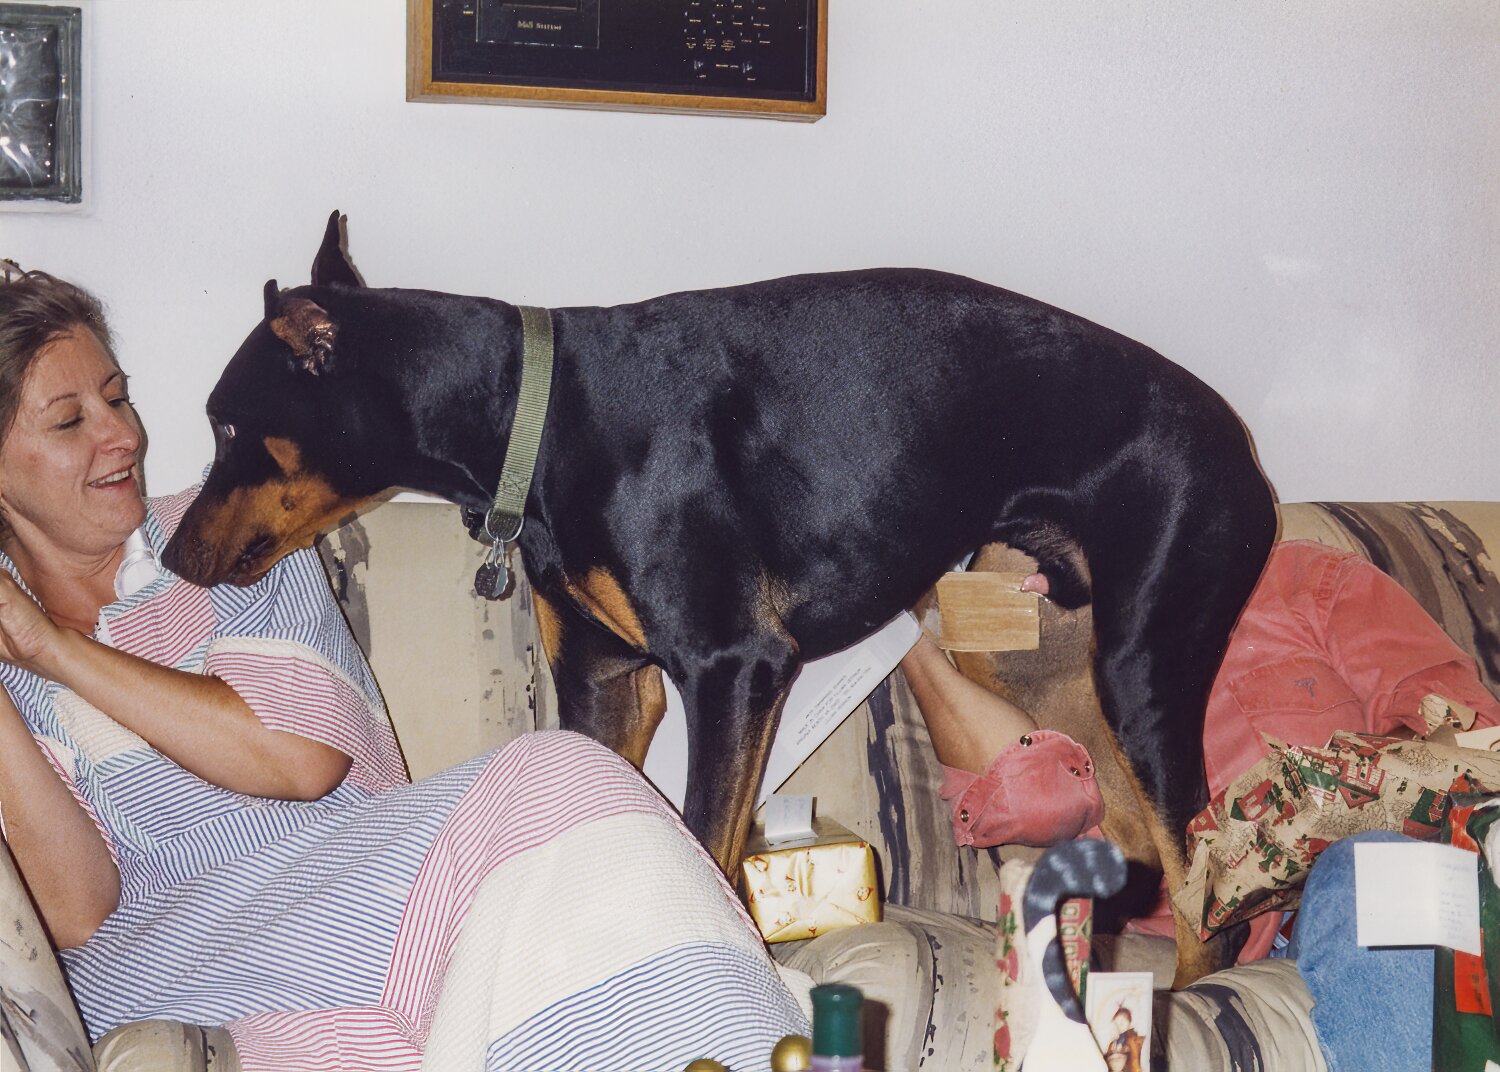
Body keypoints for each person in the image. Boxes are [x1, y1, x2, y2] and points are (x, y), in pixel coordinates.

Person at [0, 267, 809, 1069]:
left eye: (117, 397)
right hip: (182, 973)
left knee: (562, 788)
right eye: (70, 421)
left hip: (376, 900)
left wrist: (56, 650)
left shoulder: (230, 527)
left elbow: (298, 757)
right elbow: (75, 912)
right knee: (559, 782)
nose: (124, 436)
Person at [902, 536, 1500, 961]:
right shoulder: (1034, 659)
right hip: (1253, 943)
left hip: (1403, 878)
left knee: (1358, 868)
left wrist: (1325, 804)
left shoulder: (1301, 580)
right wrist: (902, 636)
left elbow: (1475, 735)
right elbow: (1027, 799)